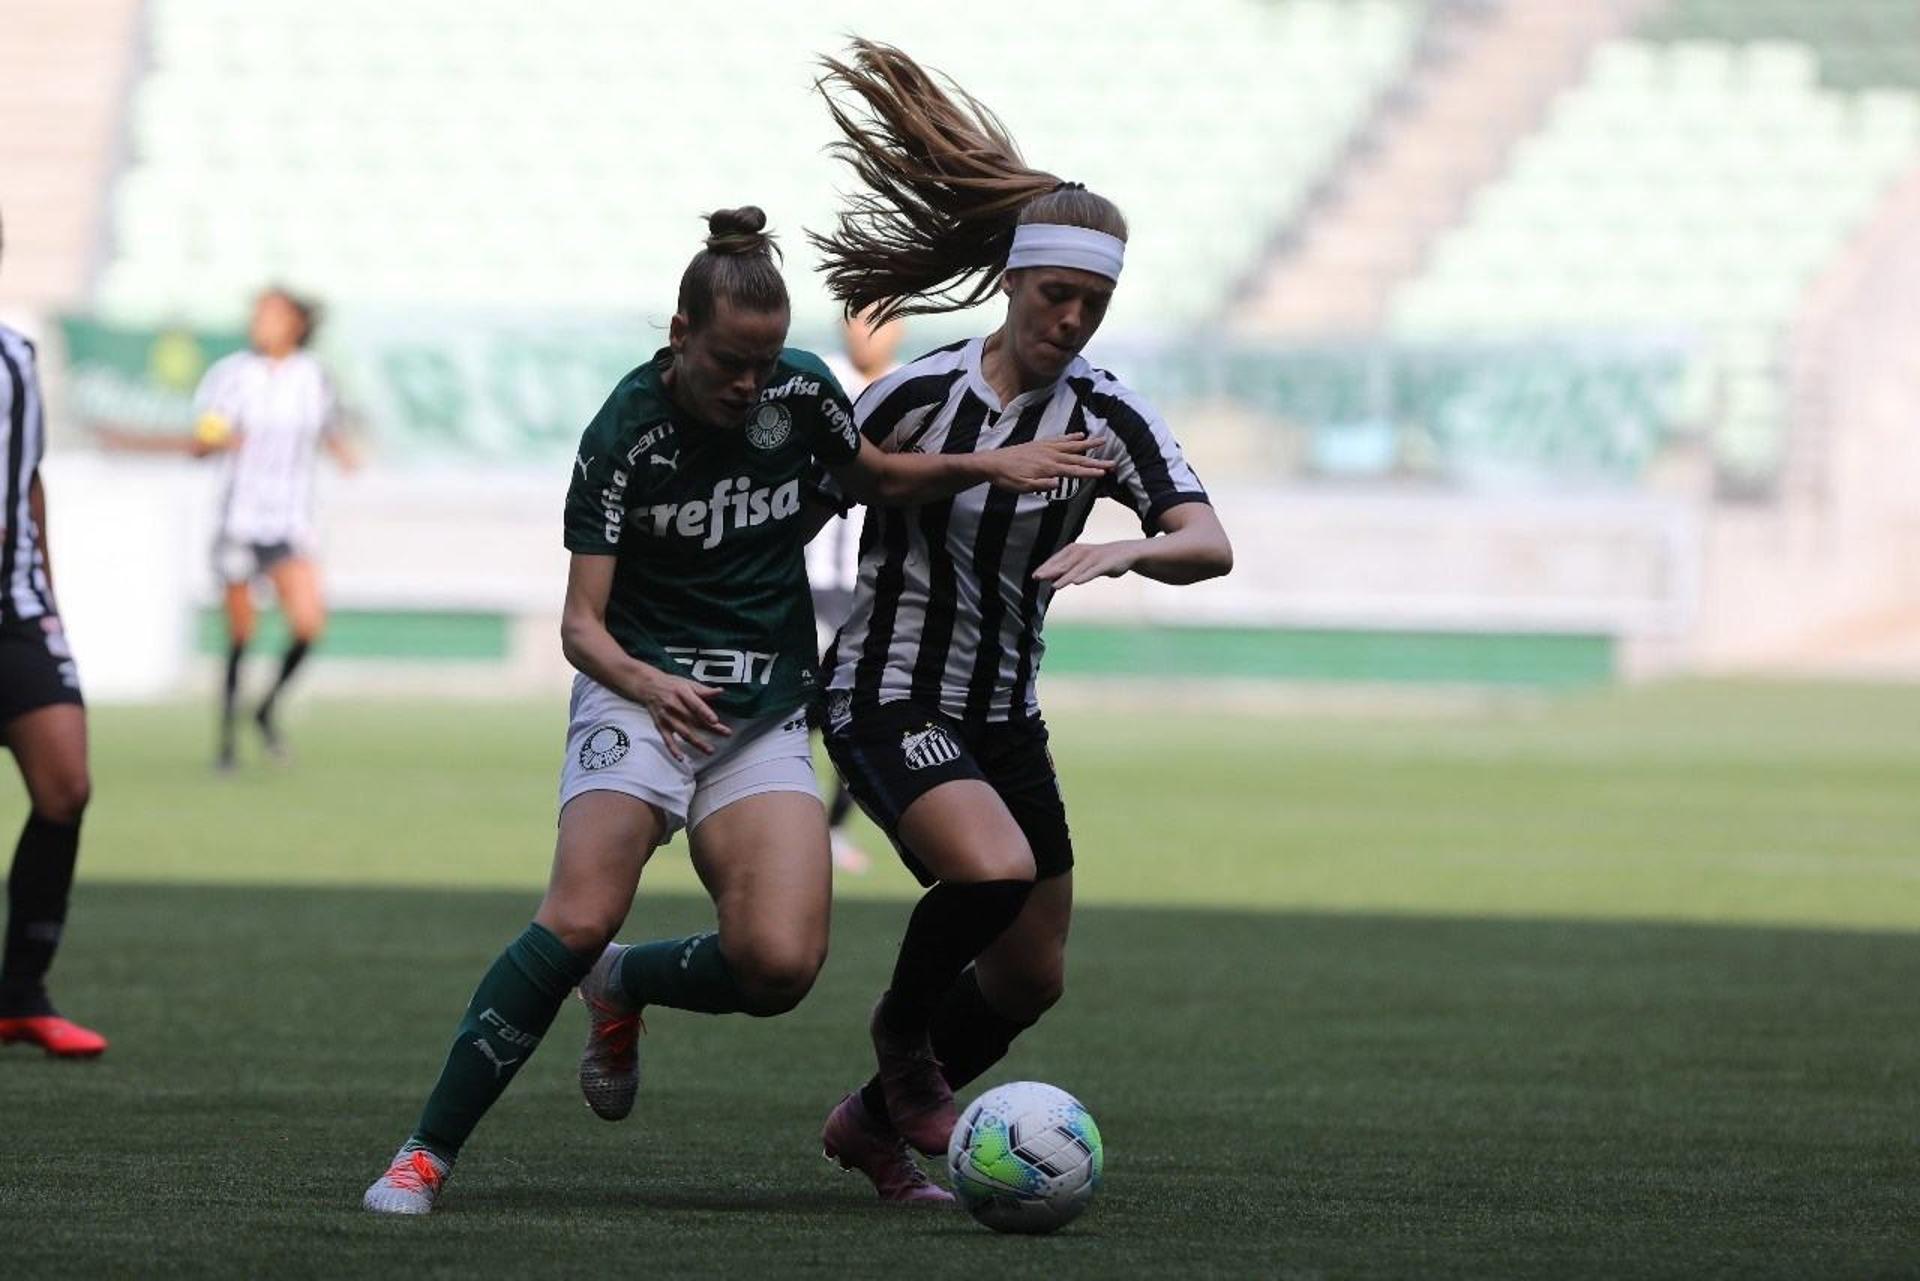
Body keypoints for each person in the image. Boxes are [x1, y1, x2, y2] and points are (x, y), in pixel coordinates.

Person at [360, 207, 1111, 1215]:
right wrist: (645, 681)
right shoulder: (625, 433)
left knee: (779, 965)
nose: (751, 384)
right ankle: (424, 1154)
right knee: (579, 911)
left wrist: (985, 464)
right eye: (731, 361)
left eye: (764, 361)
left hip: (758, 712)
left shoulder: (801, 391)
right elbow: (582, 627)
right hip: (644, 693)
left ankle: (623, 982)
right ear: (680, 334)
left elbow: (872, 478)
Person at [806, 41, 1235, 1203]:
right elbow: (823, 495)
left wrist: (1133, 544)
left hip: (1003, 710)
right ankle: (903, 1049)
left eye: (1096, 304)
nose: (1075, 321)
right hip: (887, 688)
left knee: (1032, 975)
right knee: (990, 873)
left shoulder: (1108, 413)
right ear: (1015, 283)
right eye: (1059, 296)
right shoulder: (907, 393)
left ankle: (866, 1124)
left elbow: (1211, 541)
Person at [100, 287, 358, 769]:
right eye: (259, 314)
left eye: (272, 315)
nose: (261, 323)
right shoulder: (232, 376)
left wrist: (344, 455)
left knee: (309, 623)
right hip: (240, 518)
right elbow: (207, 437)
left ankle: (265, 709)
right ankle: (226, 742)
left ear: (297, 324)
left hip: (291, 521)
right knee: (241, 631)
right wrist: (212, 441)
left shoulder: (314, 378)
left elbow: (327, 430)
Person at [0, 215, 106, 1058]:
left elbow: (28, 481)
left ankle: (23, 991)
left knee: (65, 784)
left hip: (16, 607)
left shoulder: (16, 357)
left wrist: (49, 603)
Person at [808, 309, 904, 875]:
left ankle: (830, 830)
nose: (867, 331)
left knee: (859, 711)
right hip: (808, 581)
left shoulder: (912, 389)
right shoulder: (819, 385)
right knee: (797, 710)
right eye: (858, 318)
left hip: (869, 588)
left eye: (881, 320)